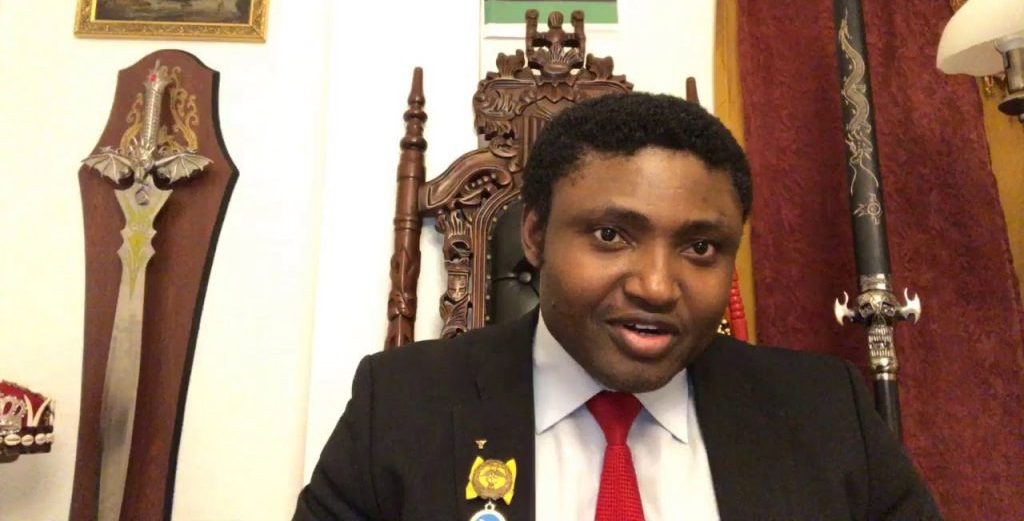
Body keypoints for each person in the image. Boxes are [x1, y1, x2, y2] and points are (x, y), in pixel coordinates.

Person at [293, 93, 941, 520]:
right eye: (611, 235)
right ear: (536, 235)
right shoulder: (402, 405)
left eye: (700, 247)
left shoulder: (826, 411)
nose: (657, 286)